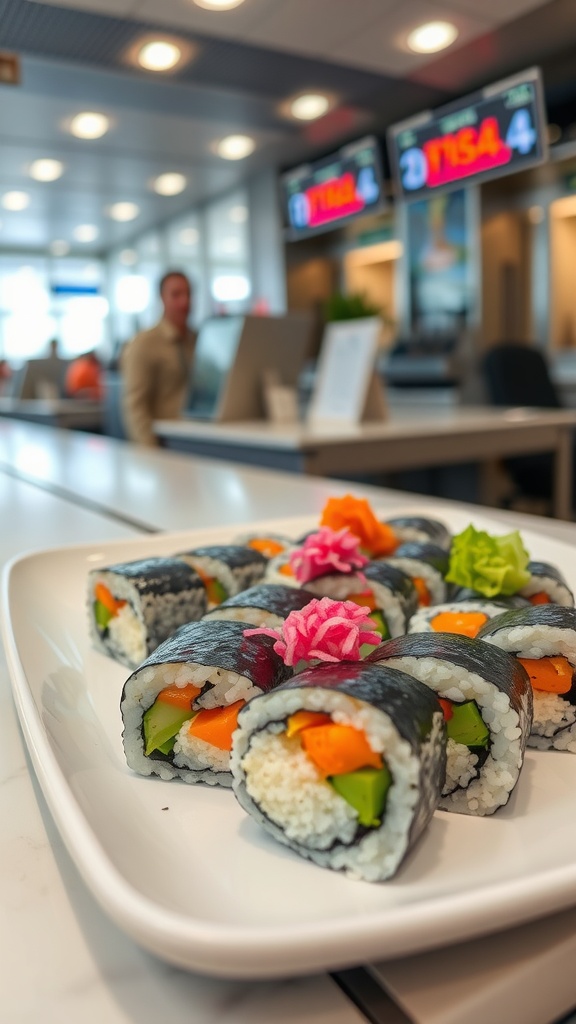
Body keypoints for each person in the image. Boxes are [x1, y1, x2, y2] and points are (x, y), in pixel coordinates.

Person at [121, 271, 196, 446]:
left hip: (196, 441)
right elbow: (135, 406)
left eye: (189, 294)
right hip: (165, 444)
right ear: (162, 298)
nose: (185, 302)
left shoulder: (197, 341)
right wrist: (151, 453)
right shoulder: (144, 343)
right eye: (176, 295)